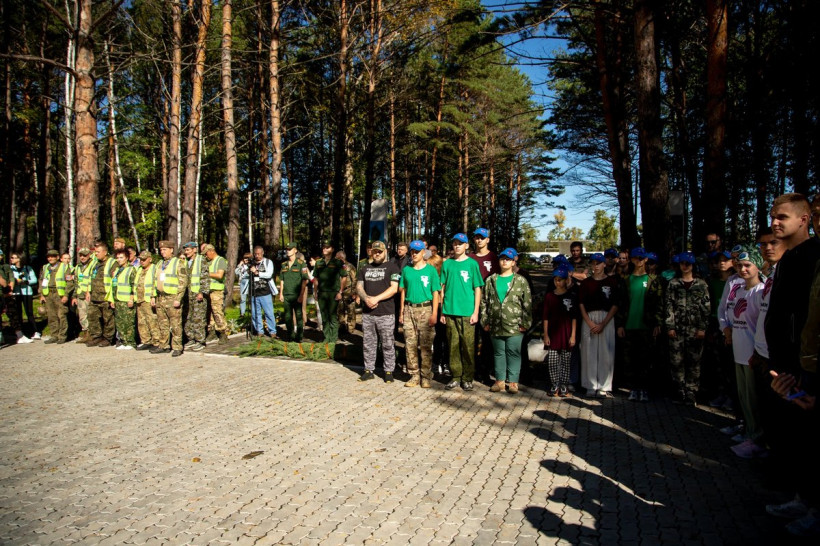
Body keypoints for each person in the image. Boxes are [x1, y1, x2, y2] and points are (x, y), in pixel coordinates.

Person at [762, 193, 820, 525]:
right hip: (783, 367)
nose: (774, 222)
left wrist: (801, 366)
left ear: (804, 219)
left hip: (805, 368)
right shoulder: (787, 259)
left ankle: (814, 511)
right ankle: (802, 498)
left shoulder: (815, 256)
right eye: (773, 216)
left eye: (782, 217)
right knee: (796, 440)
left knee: (810, 441)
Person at [727, 247, 767, 459]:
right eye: (740, 265)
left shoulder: (761, 292)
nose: (742, 269)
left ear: (757, 266)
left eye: (747, 265)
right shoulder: (739, 290)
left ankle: (757, 438)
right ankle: (749, 433)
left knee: (753, 399)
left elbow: (762, 327)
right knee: (744, 398)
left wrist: (757, 353)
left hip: (752, 354)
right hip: (738, 352)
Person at [617, 247, 664, 402]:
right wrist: (620, 324)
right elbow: (621, 303)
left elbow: (659, 303)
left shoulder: (653, 280)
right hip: (629, 325)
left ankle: (644, 388)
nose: (639, 261)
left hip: (646, 326)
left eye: (641, 258)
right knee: (630, 359)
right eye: (636, 258)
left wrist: (657, 323)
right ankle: (633, 388)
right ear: (631, 259)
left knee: (645, 359)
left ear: (646, 259)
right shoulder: (626, 280)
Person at [665, 252, 710, 405]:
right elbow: (669, 306)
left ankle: (691, 391)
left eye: (688, 264)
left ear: (692, 265)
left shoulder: (701, 284)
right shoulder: (673, 284)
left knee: (694, 361)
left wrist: (702, 328)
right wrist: (670, 326)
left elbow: (705, 308)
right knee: (676, 360)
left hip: (694, 329)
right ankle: (679, 389)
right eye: (682, 263)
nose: (685, 266)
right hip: (677, 329)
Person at [440, 233, 484, 391]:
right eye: (455, 243)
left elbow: (477, 288)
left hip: (467, 312)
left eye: (460, 243)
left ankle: (467, 378)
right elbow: (442, 288)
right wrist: (442, 311)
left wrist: (476, 311)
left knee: (468, 346)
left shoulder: (472, 264)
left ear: (466, 246)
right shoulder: (447, 264)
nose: (457, 246)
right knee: (453, 346)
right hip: (450, 311)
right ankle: (456, 376)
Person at [356, 240, 401, 382]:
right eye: (375, 251)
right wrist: (366, 298)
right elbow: (359, 287)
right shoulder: (364, 268)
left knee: (388, 343)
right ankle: (368, 370)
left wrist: (376, 299)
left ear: (385, 252)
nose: (377, 254)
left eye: (380, 252)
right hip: (368, 313)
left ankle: (388, 371)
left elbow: (394, 288)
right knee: (368, 343)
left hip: (386, 313)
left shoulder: (393, 267)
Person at [399, 240, 441, 388]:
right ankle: (414, 375)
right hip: (409, 309)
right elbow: (403, 291)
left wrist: (434, 313)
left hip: (425, 309)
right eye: (412, 251)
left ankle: (426, 376)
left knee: (425, 346)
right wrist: (401, 312)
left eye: (417, 251)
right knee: (410, 344)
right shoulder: (406, 270)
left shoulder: (430, 270)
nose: (414, 254)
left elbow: (435, 293)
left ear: (424, 252)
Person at [579, 253, 620, 397]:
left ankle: (604, 386)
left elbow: (615, 304)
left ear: (604, 264)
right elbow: (581, 304)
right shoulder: (586, 283)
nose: (595, 266)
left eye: (598, 263)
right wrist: (589, 322)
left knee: (606, 353)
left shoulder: (611, 282)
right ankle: (590, 385)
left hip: (606, 318)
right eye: (593, 263)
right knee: (588, 352)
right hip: (589, 318)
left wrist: (603, 323)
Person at [541, 266, 575, 397]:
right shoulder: (550, 296)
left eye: (560, 280)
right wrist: (546, 334)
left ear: (566, 280)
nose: (557, 282)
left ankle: (564, 385)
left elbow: (574, 318)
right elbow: (545, 317)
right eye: (555, 280)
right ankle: (554, 384)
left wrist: (573, 335)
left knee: (566, 360)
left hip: (566, 332)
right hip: (553, 333)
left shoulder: (571, 296)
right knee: (553, 361)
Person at [150, 240, 189, 356]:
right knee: (163, 324)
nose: (162, 252)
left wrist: (178, 298)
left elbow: (183, 282)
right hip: (161, 297)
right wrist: (153, 296)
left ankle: (177, 346)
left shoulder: (178, 263)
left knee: (175, 324)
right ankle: (164, 345)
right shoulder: (159, 263)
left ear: (171, 250)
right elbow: (154, 280)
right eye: (161, 250)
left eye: (165, 250)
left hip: (172, 297)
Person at [313, 242, 347, 343]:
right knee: (324, 316)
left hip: (333, 293)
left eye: (327, 248)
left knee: (332, 316)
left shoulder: (338, 262)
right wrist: (315, 292)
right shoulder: (318, 263)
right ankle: (326, 337)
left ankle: (333, 338)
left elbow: (344, 277)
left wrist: (340, 292)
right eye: (324, 247)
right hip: (322, 293)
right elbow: (316, 278)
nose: (324, 249)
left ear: (332, 249)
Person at [84, 242, 117, 347]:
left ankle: (108, 338)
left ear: (105, 252)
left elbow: (114, 280)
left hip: (105, 296)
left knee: (108, 319)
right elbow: (91, 278)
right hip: (94, 296)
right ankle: (96, 337)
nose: (96, 254)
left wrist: (112, 297)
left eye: (98, 252)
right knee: (92, 316)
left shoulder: (112, 263)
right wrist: (88, 291)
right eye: (95, 252)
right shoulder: (95, 263)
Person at [38, 249, 74, 344]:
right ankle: (54, 335)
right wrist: (42, 294)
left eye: (53, 256)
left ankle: (62, 336)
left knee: (61, 315)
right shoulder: (45, 267)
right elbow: (42, 280)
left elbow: (70, 282)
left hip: (59, 294)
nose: (50, 258)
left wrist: (66, 295)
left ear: (57, 257)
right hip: (48, 294)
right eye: (49, 257)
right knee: (51, 316)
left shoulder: (64, 267)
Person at [279, 243, 309, 342]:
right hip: (287, 295)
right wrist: (281, 293)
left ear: (295, 250)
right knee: (288, 317)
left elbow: (304, 280)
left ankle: (299, 336)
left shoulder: (301, 264)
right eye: (287, 249)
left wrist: (301, 295)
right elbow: (282, 280)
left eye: (290, 249)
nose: (288, 251)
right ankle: (290, 336)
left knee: (299, 316)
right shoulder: (284, 264)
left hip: (297, 294)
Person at [182, 242, 209, 351]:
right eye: (185, 250)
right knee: (189, 317)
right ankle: (191, 338)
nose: (186, 252)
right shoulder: (186, 261)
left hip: (197, 294)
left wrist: (201, 292)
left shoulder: (201, 260)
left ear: (194, 250)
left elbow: (205, 277)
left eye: (188, 250)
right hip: (188, 294)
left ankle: (200, 340)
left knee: (198, 318)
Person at [111, 249, 137, 350]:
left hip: (127, 300)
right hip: (118, 299)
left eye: (121, 257)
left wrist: (131, 299)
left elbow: (134, 285)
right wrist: (113, 299)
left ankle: (130, 342)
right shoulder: (117, 270)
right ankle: (123, 341)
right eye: (117, 258)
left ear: (126, 258)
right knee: (120, 322)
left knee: (128, 322)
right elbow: (114, 285)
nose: (119, 259)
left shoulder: (131, 269)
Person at [134, 250, 160, 351]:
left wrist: (153, 296)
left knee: (152, 321)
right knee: (142, 322)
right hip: (139, 299)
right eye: (141, 259)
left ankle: (156, 341)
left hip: (148, 299)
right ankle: (146, 341)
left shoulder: (154, 269)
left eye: (144, 260)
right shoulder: (139, 269)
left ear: (150, 259)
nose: (142, 261)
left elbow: (155, 283)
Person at [9, 252, 38, 341]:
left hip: (27, 292)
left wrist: (26, 282)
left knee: (29, 312)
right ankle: (21, 332)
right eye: (11, 258)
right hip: (16, 293)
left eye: (14, 257)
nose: (11, 259)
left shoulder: (27, 268)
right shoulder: (11, 269)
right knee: (18, 313)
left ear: (19, 259)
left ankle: (35, 331)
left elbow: (34, 280)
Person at [249, 245, 277, 338]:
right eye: (255, 254)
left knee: (269, 313)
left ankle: (272, 331)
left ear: (263, 253)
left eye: (259, 254)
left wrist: (257, 272)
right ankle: (259, 331)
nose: (257, 256)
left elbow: (269, 274)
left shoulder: (268, 262)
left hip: (265, 292)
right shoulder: (252, 263)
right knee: (255, 314)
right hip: (254, 293)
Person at [203, 244, 229, 344]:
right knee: (210, 313)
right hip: (209, 290)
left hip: (217, 291)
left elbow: (219, 275)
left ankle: (223, 333)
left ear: (211, 251)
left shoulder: (220, 260)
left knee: (217, 312)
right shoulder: (209, 262)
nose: (206, 256)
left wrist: (206, 274)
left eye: (206, 253)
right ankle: (212, 331)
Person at [71, 248, 95, 342]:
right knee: (82, 316)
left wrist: (90, 291)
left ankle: (93, 335)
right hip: (80, 295)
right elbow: (76, 282)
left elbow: (93, 280)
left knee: (91, 315)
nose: (82, 257)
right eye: (81, 255)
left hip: (90, 295)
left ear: (89, 255)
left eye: (84, 255)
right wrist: (74, 296)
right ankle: (86, 334)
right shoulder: (78, 267)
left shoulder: (93, 265)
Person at [336, 250, 358, 335]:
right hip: (339, 292)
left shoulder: (350, 266)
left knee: (350, 311)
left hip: (349, 291)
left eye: (337, 258)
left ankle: (351, 329)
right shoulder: (336, 266)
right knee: (340, 310)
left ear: (341, 258)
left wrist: (354, 292)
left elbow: (355, 280)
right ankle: (342, 327)